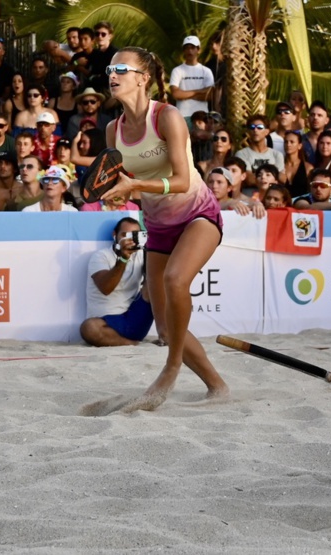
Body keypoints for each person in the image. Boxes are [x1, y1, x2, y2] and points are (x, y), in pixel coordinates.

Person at [98, 46, 230, 411]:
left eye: (121, 68)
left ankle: (170, 368)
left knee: (175, 281)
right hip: (158, 224)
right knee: (165, 326)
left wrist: (133, 187)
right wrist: (117, 192)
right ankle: (217, 387)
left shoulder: (167, 116)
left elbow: (184, 180)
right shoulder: (113, 129)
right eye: (110, 68)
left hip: (198, 215)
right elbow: (123, 179)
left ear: (143, 78)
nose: (113, 74)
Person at [81, 217, 155, 347]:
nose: (130, 239)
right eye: (125, 234)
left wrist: (151, 248)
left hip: (134, 317)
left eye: (134, 234)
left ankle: (166, 334)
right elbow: (106, 288)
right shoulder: (101, 256)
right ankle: (133, 344)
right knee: (88, 328)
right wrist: (123, 258)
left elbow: (157, 278)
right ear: (114, 235)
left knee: (156, 283)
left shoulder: (142, 254)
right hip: (106, 322)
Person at [169, 36, 214, 128]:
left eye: (193, 48)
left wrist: (185, 94)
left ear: (198, 50)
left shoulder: (206, 71)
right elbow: (176, 94)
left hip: (202, 116)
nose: (190, 51)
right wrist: (199, 91)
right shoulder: (177, 70)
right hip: (183, 116)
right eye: (187, 48)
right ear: (184, 50)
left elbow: (210, 95)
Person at [235, 114, 284, 188]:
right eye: (252, 127)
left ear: (267, 131)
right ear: (248, 131)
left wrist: (255, 175)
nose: (255, 130)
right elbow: (250, 180)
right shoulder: (241, 154)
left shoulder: (276, 154)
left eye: (260, 127)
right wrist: (271, 177)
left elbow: (282, 179)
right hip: (250, 196)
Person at [280, 130, 312, 199]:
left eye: (292, 142)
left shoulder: (308, 168)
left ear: (299, 146)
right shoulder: (279, 165)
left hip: (302, 204)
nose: (288, 144)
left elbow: (311, 191)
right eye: (286, 142)